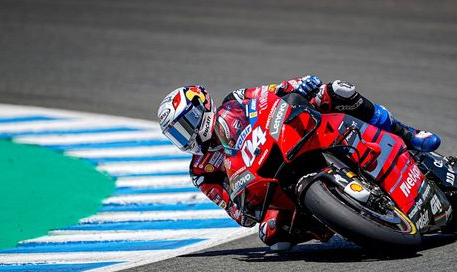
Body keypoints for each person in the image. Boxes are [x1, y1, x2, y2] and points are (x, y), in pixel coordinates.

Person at [157, 76, 441, 250]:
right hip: (267, 186)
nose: (187, 136)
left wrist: (300, 85)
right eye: (177, 134)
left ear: (202, 107)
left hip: (286, 140)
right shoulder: (201, 171)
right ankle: (342, 217)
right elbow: (235, 212)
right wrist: (243, 206)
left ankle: (409, 134)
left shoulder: (236, 101)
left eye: (186, 125)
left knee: (337, 91)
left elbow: (276, 91)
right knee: (271, 236)